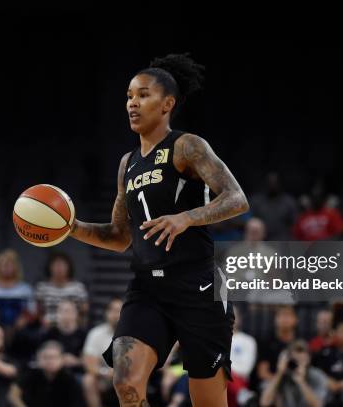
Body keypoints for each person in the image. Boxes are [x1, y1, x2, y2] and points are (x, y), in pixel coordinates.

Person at [69, 53, 249, 406]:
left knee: (208, 402)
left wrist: (186, 217)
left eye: (143, 95)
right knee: (126, 382)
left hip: (198, 288)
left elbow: (237, 198)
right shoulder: (128, 164)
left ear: (167, 103)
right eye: (129, 96)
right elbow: (120, 236)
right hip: (148, 289)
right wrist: (69, 228)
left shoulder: (187, 146)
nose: (133, 104)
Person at [9, 340, 85, 407]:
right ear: (38, 358)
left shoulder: (69, 379)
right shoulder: (30, 374)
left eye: (54, 357)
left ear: (62, 360)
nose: (49, 361)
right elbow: (13, 394)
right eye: (45, 357)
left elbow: (76, 403)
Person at [260, 339, 328, 407]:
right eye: (295, 360)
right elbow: (265, 402)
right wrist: (279, 373)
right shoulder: (282, 375)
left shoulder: (317, 375)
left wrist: (301, 382)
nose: (297, 364)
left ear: (309, 359)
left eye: (301, 360)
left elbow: (318, 405)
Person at [82, 297, 123, 407]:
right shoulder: (96, 333)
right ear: (107, 313)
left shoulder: (135, 334)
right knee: (88, 380)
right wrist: (105, 372)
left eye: (120, 311)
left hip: (127, 376)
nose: (116, 315)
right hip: (104, 377)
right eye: (113, 310)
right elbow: (89, 363)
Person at [35, 251, 89, 326]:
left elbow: (84, 310)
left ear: (69, 267)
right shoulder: (42, 287)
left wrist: (77, 323)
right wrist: (42, 321)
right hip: (48, 326)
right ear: (49, 267)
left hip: (72, 326)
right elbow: (38, 310)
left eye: (62, 265)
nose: (59, 269)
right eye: (56, 265)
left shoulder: (78, 287)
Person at [254, 306, 298, 392]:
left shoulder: (300, 343)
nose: (285, 319)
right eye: (281, 315)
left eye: (288, 315)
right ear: (275, 319)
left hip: (295, 384)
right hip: (272, 383)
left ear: (296, 319)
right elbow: (262, 373)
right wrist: (280, 382)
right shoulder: (266, 342)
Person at [41, 299, 87, 374]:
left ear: (76, 314)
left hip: (77, 371)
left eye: (69, 311)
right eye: (63, 311)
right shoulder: (50, 333)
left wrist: (76, 361)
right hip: (53, 371)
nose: (66, 314)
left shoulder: (84, 334)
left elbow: (89, 358)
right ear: (57, 314)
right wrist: (59, 359)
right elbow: (41, 355)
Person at [249, 172, 298, 240]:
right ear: (265, 183)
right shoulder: (256, 201)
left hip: (282, 240)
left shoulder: (288, 202)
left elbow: (294, 224)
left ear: (279, 183)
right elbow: (249, 222)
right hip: (262, 240)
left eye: (275, 182)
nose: (272, 185)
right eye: (270, 182)